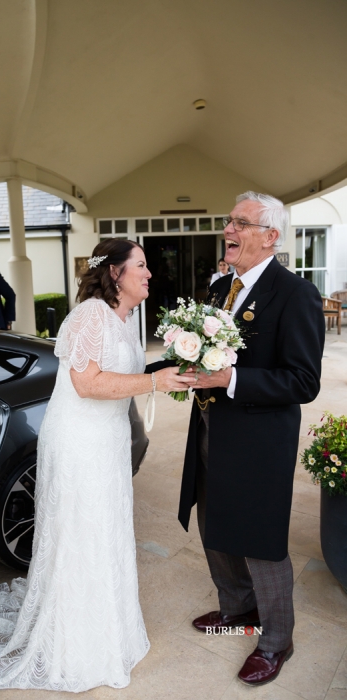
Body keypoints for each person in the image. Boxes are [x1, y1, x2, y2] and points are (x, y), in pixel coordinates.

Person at [0, 239, 190, 692]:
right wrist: (154, 381)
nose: (149, 273)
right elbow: (86, 384)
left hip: (108, 439)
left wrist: (174, 367)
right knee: (83, 530)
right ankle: (76, 643)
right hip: (80, 442)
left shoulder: (126, 317)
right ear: (115, 273)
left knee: (106, 529)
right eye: (141, 265)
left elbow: (125, 372)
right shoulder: (90, 315)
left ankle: (109, 626)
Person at [182, 192, 325, 686]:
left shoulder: (295, 293)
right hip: (210, 430)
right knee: (213, 522)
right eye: (229, 221)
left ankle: (277, 640)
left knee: (261, 541)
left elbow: (303, 381)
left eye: (241, 223)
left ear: (270, 237)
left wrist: (231, 379)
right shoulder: (221, 286)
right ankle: (238, 608)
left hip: (259, 442)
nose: (229, 230)